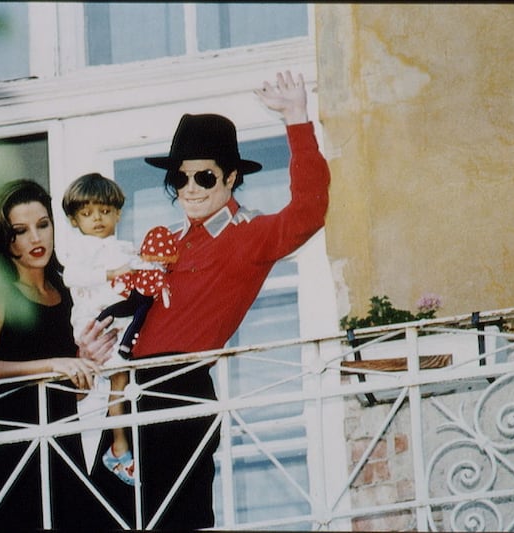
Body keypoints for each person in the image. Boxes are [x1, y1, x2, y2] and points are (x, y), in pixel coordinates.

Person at [78, 69, 331, 528]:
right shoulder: (170, 240)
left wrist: (297, 118)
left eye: (204, 176)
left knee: (176, 521)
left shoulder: (247, 235)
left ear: (231, 178)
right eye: (181, 177)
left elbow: (309, 211)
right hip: (128, 394)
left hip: (178, 389)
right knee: (99, 519)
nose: (191, 188)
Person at [0, 179, 122, 529]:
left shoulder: (66, 288)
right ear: (3, 238)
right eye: (20, 231)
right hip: (12, 451)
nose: (36, 238)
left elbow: (73, 389)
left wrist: (85, 361)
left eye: (43, 225)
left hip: (63, 444)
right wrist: (53, 365)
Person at [60, 173, 141, 485]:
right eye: (87, 213)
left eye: (105, 212)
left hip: (119, 323)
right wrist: (112, 273)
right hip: (96, 325)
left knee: (121, 382)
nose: (97, 219)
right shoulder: (82, 248)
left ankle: (119, 445)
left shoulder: (121, 247)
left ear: (118, 214)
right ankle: (115, 447)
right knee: (105, 386)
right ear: (74, 220)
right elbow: (72, 277)